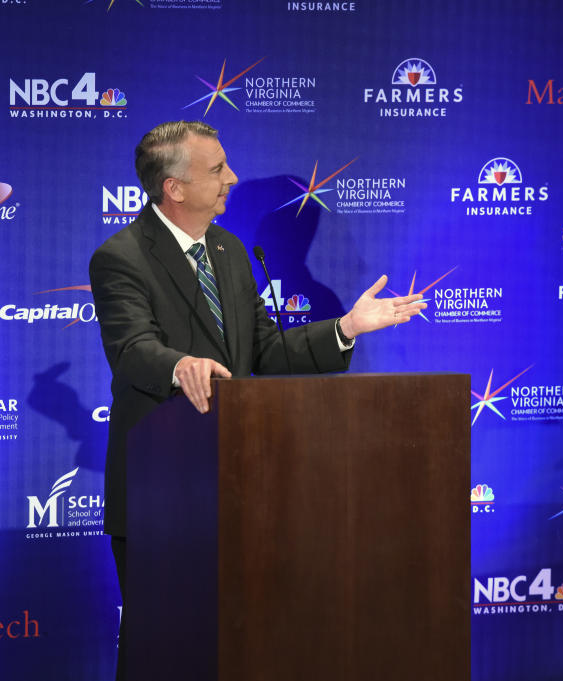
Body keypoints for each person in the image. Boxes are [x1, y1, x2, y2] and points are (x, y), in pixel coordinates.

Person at [89, 120, 425, 680]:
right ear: (174, 187)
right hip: (160, 491)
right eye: (217, 168)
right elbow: (131, 347)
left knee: (236, 643)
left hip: (240, 486)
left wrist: (344, 327)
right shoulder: (121, 256)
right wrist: (179, 364)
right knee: (163, 648)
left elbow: (265, 349)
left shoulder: (229, 249)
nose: (232, 178)